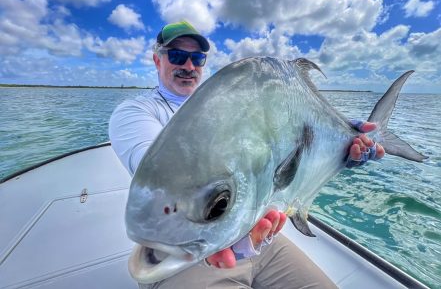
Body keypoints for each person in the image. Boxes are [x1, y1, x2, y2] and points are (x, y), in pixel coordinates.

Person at [109, 20, 385, 289]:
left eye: (197, 58)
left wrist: (344, 148)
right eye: (178, 55)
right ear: (158, 60)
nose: (188, 66)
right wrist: (220, 217)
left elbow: (286, 160)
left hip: (259, 237)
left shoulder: (234, 103)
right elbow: (156, 172)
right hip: (191, 248)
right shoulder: (136, 112)